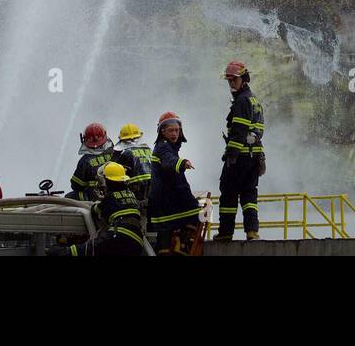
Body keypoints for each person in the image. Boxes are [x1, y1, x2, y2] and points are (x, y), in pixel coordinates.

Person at [48, 162, 146, 256]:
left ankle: (62, 252)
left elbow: (94, 211)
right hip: (137, 239)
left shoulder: (109, 197)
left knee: (88, 249)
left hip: (118, 235)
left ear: (107, 181)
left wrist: (98, 201)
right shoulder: (132, 195)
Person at [215, 60, 265, 240]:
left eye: (233, 80)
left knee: (228, 192)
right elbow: (259, 130)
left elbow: (239, 131)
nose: (231, 83)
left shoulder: (242, 101)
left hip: (240, 158)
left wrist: (231, 156)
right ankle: (252, 231)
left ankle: (225, 232)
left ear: (243, 79)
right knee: (249, 193)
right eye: (229, 81)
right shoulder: (253, 99)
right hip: (254, 156)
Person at [149, 111, 203, 255]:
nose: (174, 133)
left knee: (165, 236)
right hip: (169, 200)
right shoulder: (163, 147)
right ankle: (183, 243)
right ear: (162, 131)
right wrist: (182, 163)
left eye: (177, 130)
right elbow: (168, 161)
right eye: (171, 130)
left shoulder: (169, 146)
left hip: (167, 200)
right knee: (195, 214)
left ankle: (177, 241)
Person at [65, 122, 113, 201]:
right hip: (114, 194)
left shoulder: (85, 161)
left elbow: (76, 185)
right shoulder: (115, 153)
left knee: (69, 196)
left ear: (84, 139)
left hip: (93, 197)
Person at [112, 122, 154, 206]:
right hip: (153, 187)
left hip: (135, 191)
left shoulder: (126, 153)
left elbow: (114, 172)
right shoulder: (149, 150)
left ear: (122, 139)